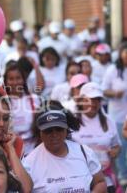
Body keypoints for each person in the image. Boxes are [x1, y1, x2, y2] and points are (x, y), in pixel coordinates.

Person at [22, 100, 107, 192]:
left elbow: (100, 182)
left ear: (66, 129)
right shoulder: (28, 164)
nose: (54, 134)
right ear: (39, 132)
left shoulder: (85, 152)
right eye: (48, 130)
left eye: (59, 129)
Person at [72, 82, 121, 192]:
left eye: (97, 99)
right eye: (90, 99)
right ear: (81, 100)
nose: (94, 103)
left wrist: (115, 151)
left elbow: (117, 146)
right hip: (79, 180)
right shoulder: (72, 121)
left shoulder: (109, 121)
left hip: (106, 179)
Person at [102, 43, 127, 187]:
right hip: (118, 115)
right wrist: (115, 93)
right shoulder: (112, 70)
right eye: (125, 56)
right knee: (122, 146)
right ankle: (123, 175)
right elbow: (104, 90)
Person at [4, 63, 40, 154]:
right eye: (11, 79)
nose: (15, 82)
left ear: (24, 80)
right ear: (5, 81)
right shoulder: (3, 102)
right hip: (11, 150)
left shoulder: (34, 99)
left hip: (34, 149)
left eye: (18, 78)